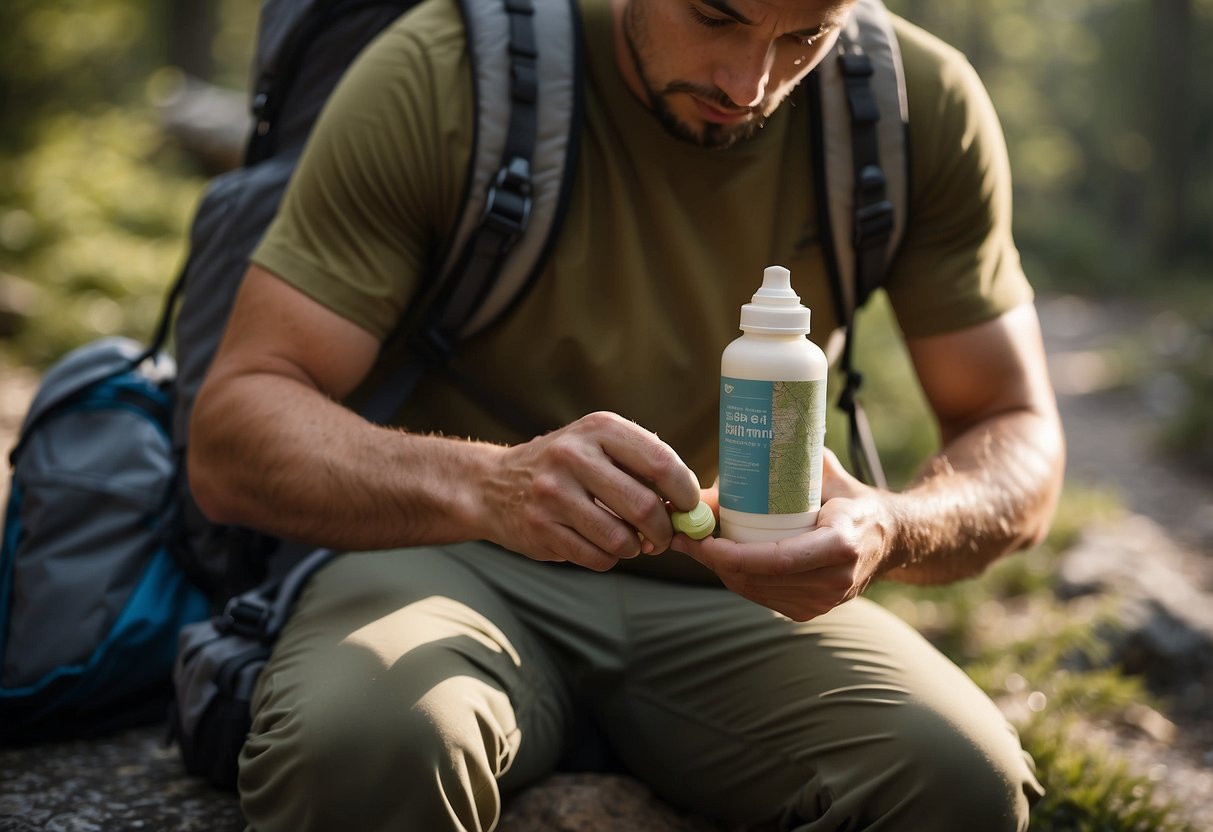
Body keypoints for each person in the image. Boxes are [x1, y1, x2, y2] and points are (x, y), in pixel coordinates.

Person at [187, 0, 1065, 827]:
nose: (747, 83)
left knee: (956, 780)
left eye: (804, 35)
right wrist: (489, 485)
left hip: (740, 602)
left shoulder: (910, 105)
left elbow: (1015, 426)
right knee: (361, 747)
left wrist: (892, 527)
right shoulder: (448, 69)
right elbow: (233, 431)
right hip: (448, 561)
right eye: (715, 14)